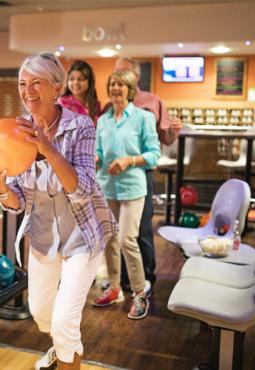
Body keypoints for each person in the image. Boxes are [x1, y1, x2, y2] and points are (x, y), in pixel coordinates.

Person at [0, 52, 116, 370]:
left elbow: (81, 187)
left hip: (83, 236)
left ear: (57, 88)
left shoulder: (80, 125)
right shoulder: (16, 132)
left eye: (36, 82)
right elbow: (18, 203)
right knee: (42, 315)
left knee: (65, 320)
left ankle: (66, 353)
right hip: (43, 240)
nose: (27, 90)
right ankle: (60, 347)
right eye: (22, 83)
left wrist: (48, 148)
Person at [92, 70, 160, 320]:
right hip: (107, 185)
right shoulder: (103, 120)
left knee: (127, 239)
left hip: (133, 187)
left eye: (121, 84)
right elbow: (99, 149)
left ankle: (140, 293)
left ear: (130, 89)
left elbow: (154, 154)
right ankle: (115, 288)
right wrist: (97, 157)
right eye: (112, 84)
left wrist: (130, 160)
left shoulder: (143, 118)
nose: (116, 88)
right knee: (109, 239)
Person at [113, 57, 182, 294]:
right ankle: (123, 279)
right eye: (116, 72)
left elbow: (167, 139)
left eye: (123, 72)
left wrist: (174, 131)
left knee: (141, 228)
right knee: (119, 230)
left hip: (141, 173)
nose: (118, 78)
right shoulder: (112, 102)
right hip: (115, 176)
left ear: (137, 77)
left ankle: (146, 277)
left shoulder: (152, 102)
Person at [58, 60, 101, 125]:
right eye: (71, 79)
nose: (75, 83)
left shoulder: (95, 104)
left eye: (81, 79)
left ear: (89, 81)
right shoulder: (62, 103)